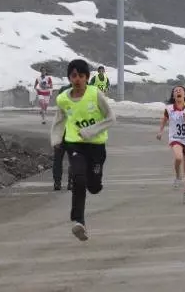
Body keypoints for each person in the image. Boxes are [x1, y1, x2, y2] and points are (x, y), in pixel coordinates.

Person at [51, 59, 116, 241]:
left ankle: (94, 180)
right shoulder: (63, 99)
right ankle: (78, 221)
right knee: (78, 179)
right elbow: (59, 120)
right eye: (74, 76)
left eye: (81, 75)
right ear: (69, 78)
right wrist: (56, 139)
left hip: (96, 146)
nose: (77, 79)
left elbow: (112, 118)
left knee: (94, 187)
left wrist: (91, 131)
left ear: (87, 77)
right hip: (75, 144)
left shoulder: (95, 94)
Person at [157, 86, 185, 204]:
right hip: (176, 138)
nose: (178, 92)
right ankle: (177, 176)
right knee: (178, 157)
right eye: (175, 91)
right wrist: (160, 131)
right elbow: (164, 120)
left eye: (180, 90)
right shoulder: (169, 108)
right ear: (173, 96)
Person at [52, 82, 74, 191]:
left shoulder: (60, 109)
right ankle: (71, 182)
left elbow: (55, 124)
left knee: (58, 159)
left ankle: (57, 182)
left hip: (60, 135)